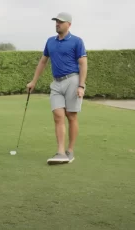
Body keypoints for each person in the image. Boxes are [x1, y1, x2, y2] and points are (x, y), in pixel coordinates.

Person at [26, 12, 88, 165]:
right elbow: (42, 62)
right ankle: (60, 152)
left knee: (71, 116)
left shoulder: (77, 41)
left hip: (72, 80)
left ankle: (70, 151)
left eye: (60, 22)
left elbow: (83, 63)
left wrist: (81, 85)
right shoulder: (50, 42)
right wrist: (33, 81)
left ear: (69, 24)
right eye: (56, 21)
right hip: (56, 83)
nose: (57, 24)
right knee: (58, 116)